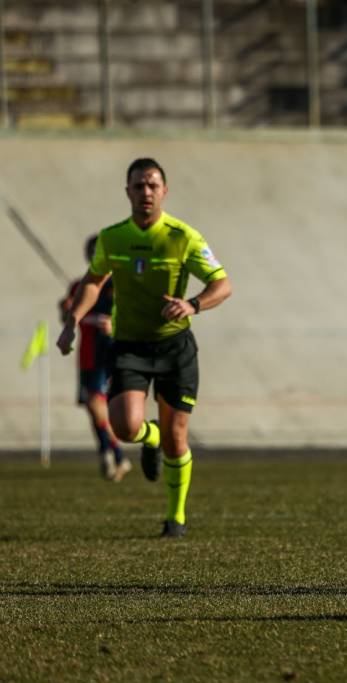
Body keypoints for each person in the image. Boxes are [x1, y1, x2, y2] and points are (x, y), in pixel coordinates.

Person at [57, 158, 232, 538]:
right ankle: (149, 437)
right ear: (128, 192)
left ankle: (176, 518)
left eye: (153, 185)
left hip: (175, 347)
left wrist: (193, 304)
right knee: (125, 426)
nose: (146, 192)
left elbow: (222, 284)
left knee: (178, 438)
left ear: (164, 191)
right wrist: (72, 322)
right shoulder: (112, 237)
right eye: (139, 186)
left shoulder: (183, 236)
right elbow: (93, 281)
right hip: (130, 346)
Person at [58, 235, 130, 482]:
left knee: (99, 404)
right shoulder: (79, 286)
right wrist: (67, 312)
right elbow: (69, 317)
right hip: (87, 353)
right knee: (92, 406)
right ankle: (109, 452)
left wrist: (114, 324)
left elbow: (129, 314)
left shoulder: (116, 284)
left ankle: (117, 454)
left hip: (110, 351)